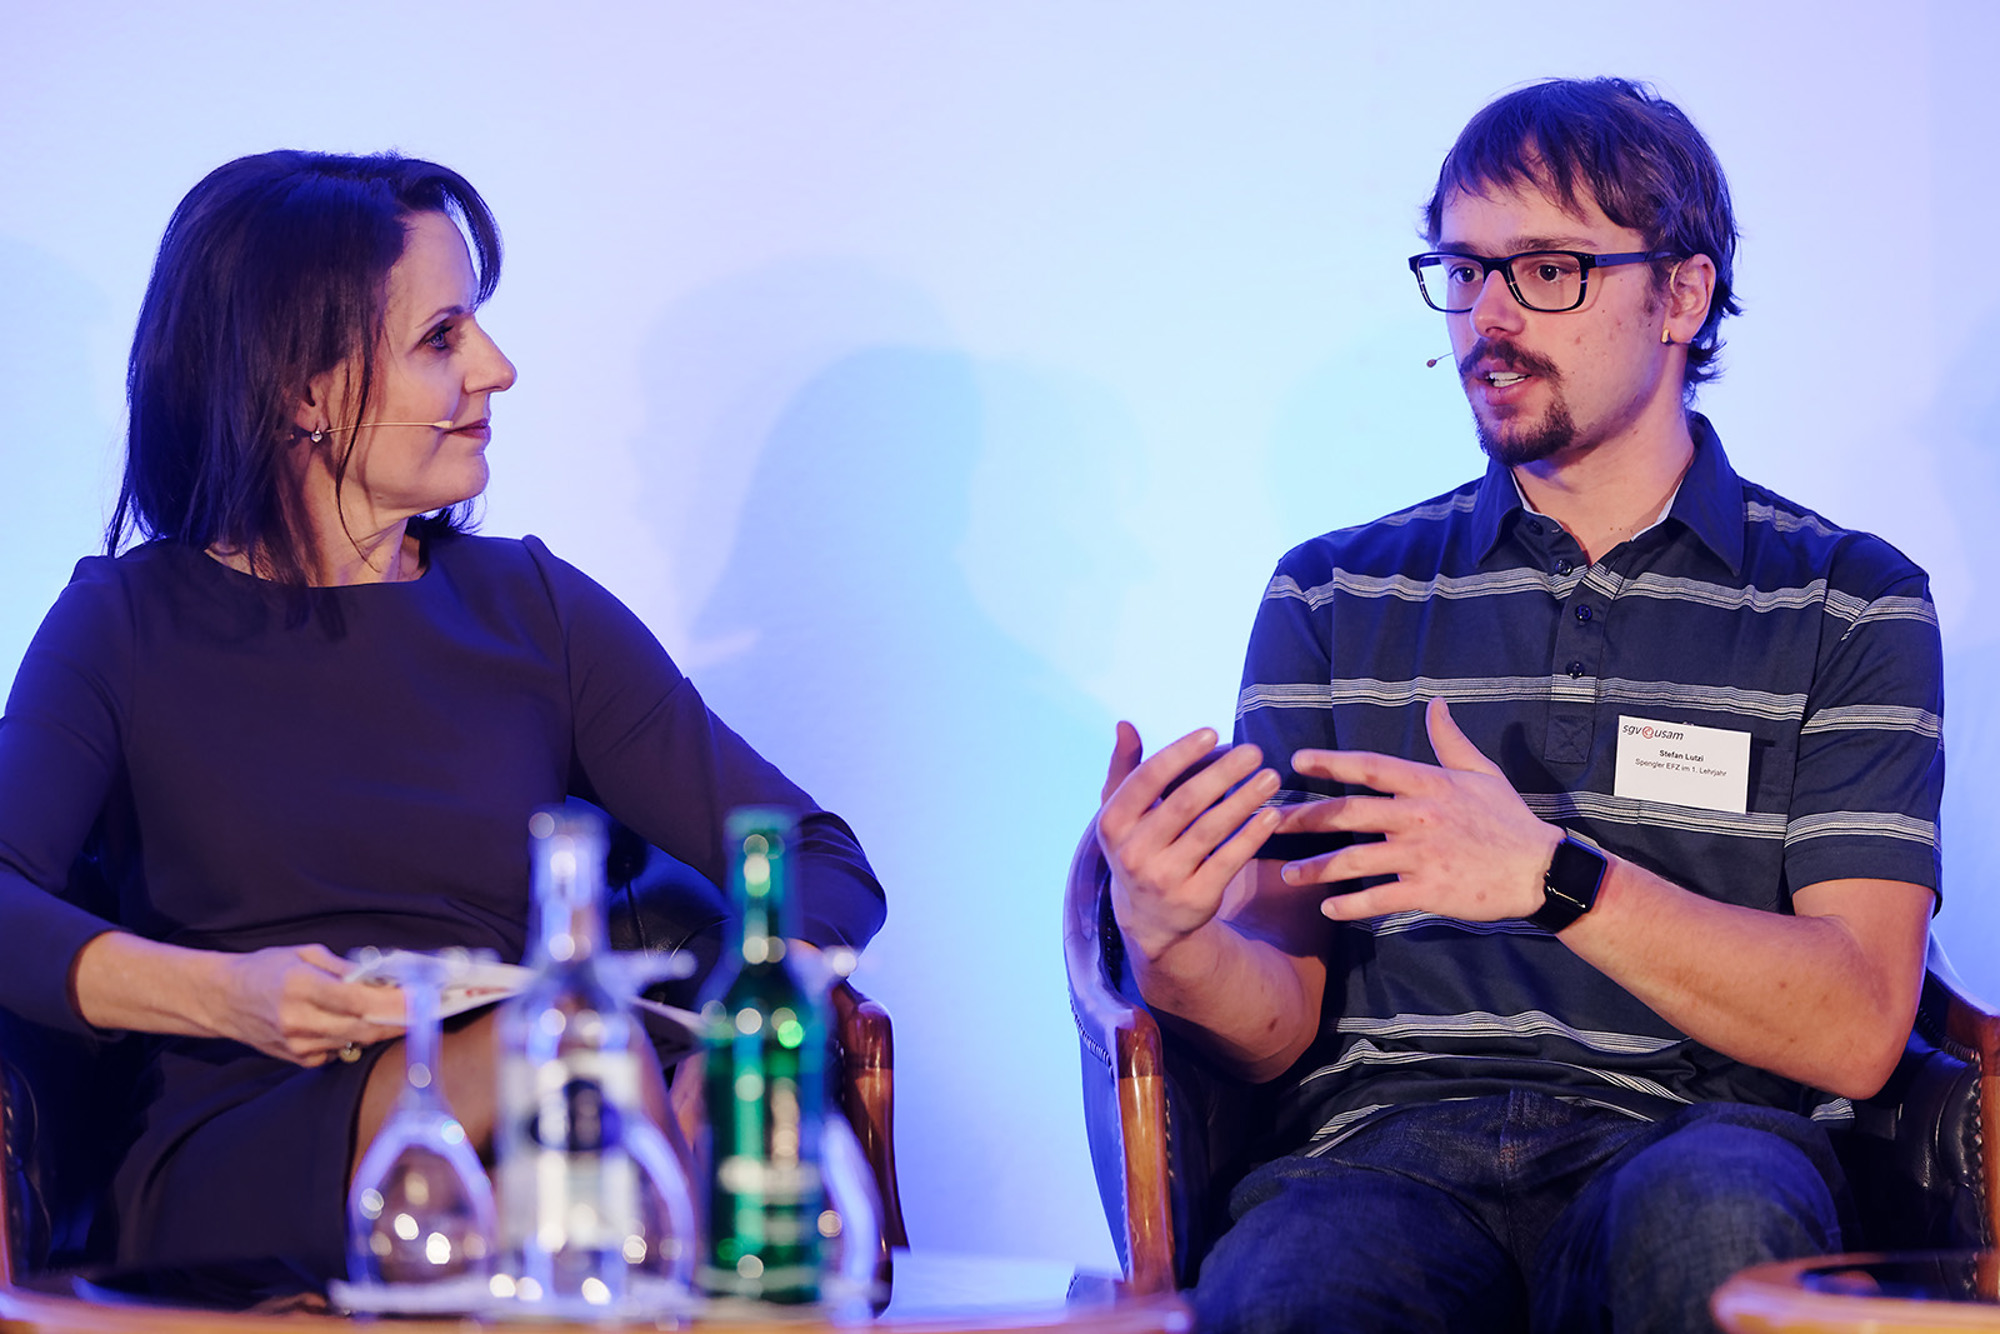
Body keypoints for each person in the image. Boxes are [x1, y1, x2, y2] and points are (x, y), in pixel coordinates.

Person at [1096, 78, 1941, 1334]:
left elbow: (1858, 1025)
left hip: (1696, 1134)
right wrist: (1169, 938)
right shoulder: (1333, 592)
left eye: (1546, 270)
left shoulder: (1846, 601)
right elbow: (1273, 1021)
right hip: (1384, 1150)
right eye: (1462, 270)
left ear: (1681, 295)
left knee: (1712, 1225)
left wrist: (1550, 877)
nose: (1487, 316)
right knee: (1286, 1286)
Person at [0, 151, 884, 1293]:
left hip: (542, 1122)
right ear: (302, 392)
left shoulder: (535, 610)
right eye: (441, 337)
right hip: (246, 1144)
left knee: (579, 1080)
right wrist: (229, 994)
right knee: (579, 1056)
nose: (497, 368)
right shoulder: (123, 623)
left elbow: (812, 853)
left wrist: (745, 1019)